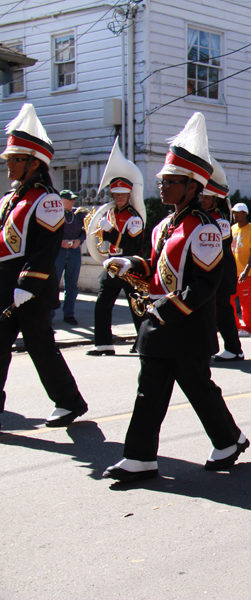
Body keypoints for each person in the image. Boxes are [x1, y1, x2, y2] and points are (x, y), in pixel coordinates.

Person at [102, 112, 249, 484]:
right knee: (149, 390)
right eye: (161, 181)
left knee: (198, 388)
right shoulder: (164, 225)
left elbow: (205, 284)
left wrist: (163, 310)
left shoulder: (204, 228)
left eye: (170, 181)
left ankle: (229, 439)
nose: (162, 187)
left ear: (192, 186)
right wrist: (129, 262)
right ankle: (139, 458)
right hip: (161, 323)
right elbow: (154, 267)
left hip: (186, 326)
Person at [0, 103, 88, 428]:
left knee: (41, 349)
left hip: (29, 289)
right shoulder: (11, 198)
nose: (8, 163)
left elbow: (45, 247)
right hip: (6, 286)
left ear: (34, 163)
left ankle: (69, 401)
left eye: (14, 159)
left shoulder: (46, 198)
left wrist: (27, 284)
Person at [87, 143, 145, 356]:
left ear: (129, 194)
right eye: (116, 194)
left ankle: (142, 342)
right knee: (102, 304)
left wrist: (109, 231)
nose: (118, 197)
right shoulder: (110, 213)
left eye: (122, 194)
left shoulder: (134, 218)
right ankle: (103, 344)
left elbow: (130, 246)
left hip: (129, 266)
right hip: (111, 263)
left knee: (137, 306)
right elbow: (106, 240)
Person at [199, 157, 244, 361]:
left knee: (222, 311)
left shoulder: (220, 220)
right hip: (211, 272)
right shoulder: (206, 216)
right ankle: (216, 347)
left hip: (221, 273)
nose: (203, 200)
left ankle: (234, 349)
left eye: (207, 198)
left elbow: (218, 244)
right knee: (210, 311)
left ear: (216, 199)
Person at [54, 189, 87, 325]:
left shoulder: (78, 214)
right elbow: (50, 233)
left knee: (72, 284)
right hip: (59, 251)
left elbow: (85, 231)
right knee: (53, 284)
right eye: (69, 199)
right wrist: (60, 242)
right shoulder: (55, 214)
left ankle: (69, 314)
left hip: (74, 251)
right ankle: (49, 314)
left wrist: (79, 241)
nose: (72, 201)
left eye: (73, 199)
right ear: (61, 200)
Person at [230, 202, 251, 337]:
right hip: (232, 273)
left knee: (245, 301)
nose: (234, 215)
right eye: (234, 212)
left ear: (244, 214)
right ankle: (235, 326)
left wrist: (246, 271)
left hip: (246, 273)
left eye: (237, 212)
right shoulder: (232, 229)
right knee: (229, 300)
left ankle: (248, 328)